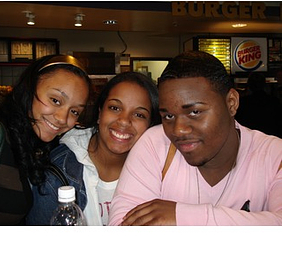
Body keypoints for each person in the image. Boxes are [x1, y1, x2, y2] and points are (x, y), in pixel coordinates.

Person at [108, 50, 282, 226]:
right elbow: (123, 228)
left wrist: (179, 216)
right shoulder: (155, 144)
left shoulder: (274, 156)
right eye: (168, 116)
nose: (179, 130)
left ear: (231, 103)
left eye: (195, 112)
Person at [26, 71, 161, 226]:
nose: (124, 121)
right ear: (99, 113)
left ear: (150, 126)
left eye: (139, 115)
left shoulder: (160, 173)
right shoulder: (56, 174)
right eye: (115, 108)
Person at [0, 54, 90, 225]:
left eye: (75, 111)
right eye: (55, 100)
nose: (63, 118)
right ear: (30, 88)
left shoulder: (36, 146)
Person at [235, 72, 282, 138]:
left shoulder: (242, 103)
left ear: (249, 86)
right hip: (270, 139)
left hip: (250, 140)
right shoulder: (273, 101)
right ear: (264, 85)